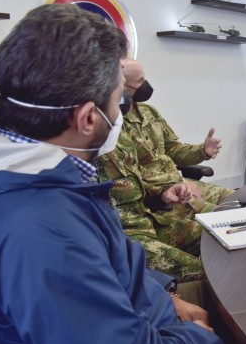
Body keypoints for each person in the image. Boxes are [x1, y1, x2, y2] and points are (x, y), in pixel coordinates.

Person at [0, 4, 224, 344]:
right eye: (120, 100)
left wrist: (168, 302)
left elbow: (117, 268)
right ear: (88, 119)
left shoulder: (54, 180)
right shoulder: (38, 230)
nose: (123, 110)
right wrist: (200, 341)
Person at [96, 58, 233, 283]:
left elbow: (168, 152)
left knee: (235, 210)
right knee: (218, 244)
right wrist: (166, 188)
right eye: (136, 82)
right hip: (138, 226)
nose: (145, 85)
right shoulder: (107, 138)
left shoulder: (148, 113)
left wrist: (202, 151)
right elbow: (131, 182)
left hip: (162, 200)